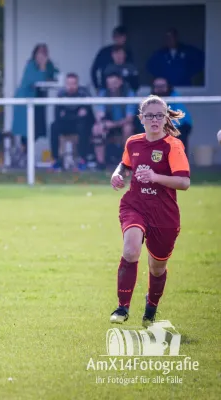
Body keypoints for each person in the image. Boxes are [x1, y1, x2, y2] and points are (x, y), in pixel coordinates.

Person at [109, 95, 190, 328]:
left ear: (166, 118)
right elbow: (125, 165)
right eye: (149, 115)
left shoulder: (173, 146)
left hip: (164, 214)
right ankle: (122, 308)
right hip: (135, 205)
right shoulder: (133, 142)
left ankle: (151, 306)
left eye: (159, 115)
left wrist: (155, 177)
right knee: (131, 249)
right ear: (141, 118)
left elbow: (184, 182)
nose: (154, 119)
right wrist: (117, 174)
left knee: (157, 268)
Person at [10, 44, 58, 164]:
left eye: (44, 52)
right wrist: (42, 67)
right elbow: (35, 79)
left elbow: (55, 75)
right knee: (27, 129)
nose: (42, 55)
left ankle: (25, 154)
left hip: (39, 101)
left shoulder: (49, 64)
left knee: (37, 129)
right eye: (40, 52)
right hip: (26, 100)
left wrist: (48, 69)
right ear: (35, 54)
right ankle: (22, 154)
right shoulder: (31, 65)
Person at [92, 72, 136, 169]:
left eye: (114, 83)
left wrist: (113, 124)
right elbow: (100, 114)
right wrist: (103, 123)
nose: (112, 86)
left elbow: (129, 118)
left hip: (123, 124)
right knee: (97, 128)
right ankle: (101, 164)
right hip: (108, 124)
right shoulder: (103, 93)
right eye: (110, 84)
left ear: (120, 82)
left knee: (128, 129)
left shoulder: (129, 93)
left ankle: (126, 162)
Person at [50, 73, 93, 170]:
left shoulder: (84, 94)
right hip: (65, 125)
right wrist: (76, 115)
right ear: (65, 84)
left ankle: (83, 159)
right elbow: (57, 116)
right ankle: (56, 160)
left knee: (84, 126)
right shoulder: (60, 95)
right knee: (54, 126)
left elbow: (87, 116)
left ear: (77, 84)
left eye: (74, 84)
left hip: (79, 125)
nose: (71, 86)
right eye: (69, 84)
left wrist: (67, 115)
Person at [151, 77, 193, 156]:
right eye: (157, 86)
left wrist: (165, 129)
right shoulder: (150, 100)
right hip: (158, 128)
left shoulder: (175, 96)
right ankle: (156, 164)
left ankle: (181, 163)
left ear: (168, 87)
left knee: (178, 141)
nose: (160, 89)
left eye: (162, 86)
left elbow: (179, 117)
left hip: (180, 126)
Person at [91, 26, 134, 90]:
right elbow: (94, 70)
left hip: (126, 92)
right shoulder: (104, 52)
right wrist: (97, 87)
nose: (120, 39)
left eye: (122, 37)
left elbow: (133, 73)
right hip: (106, 90)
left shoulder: (128, 52)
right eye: (118, 37)